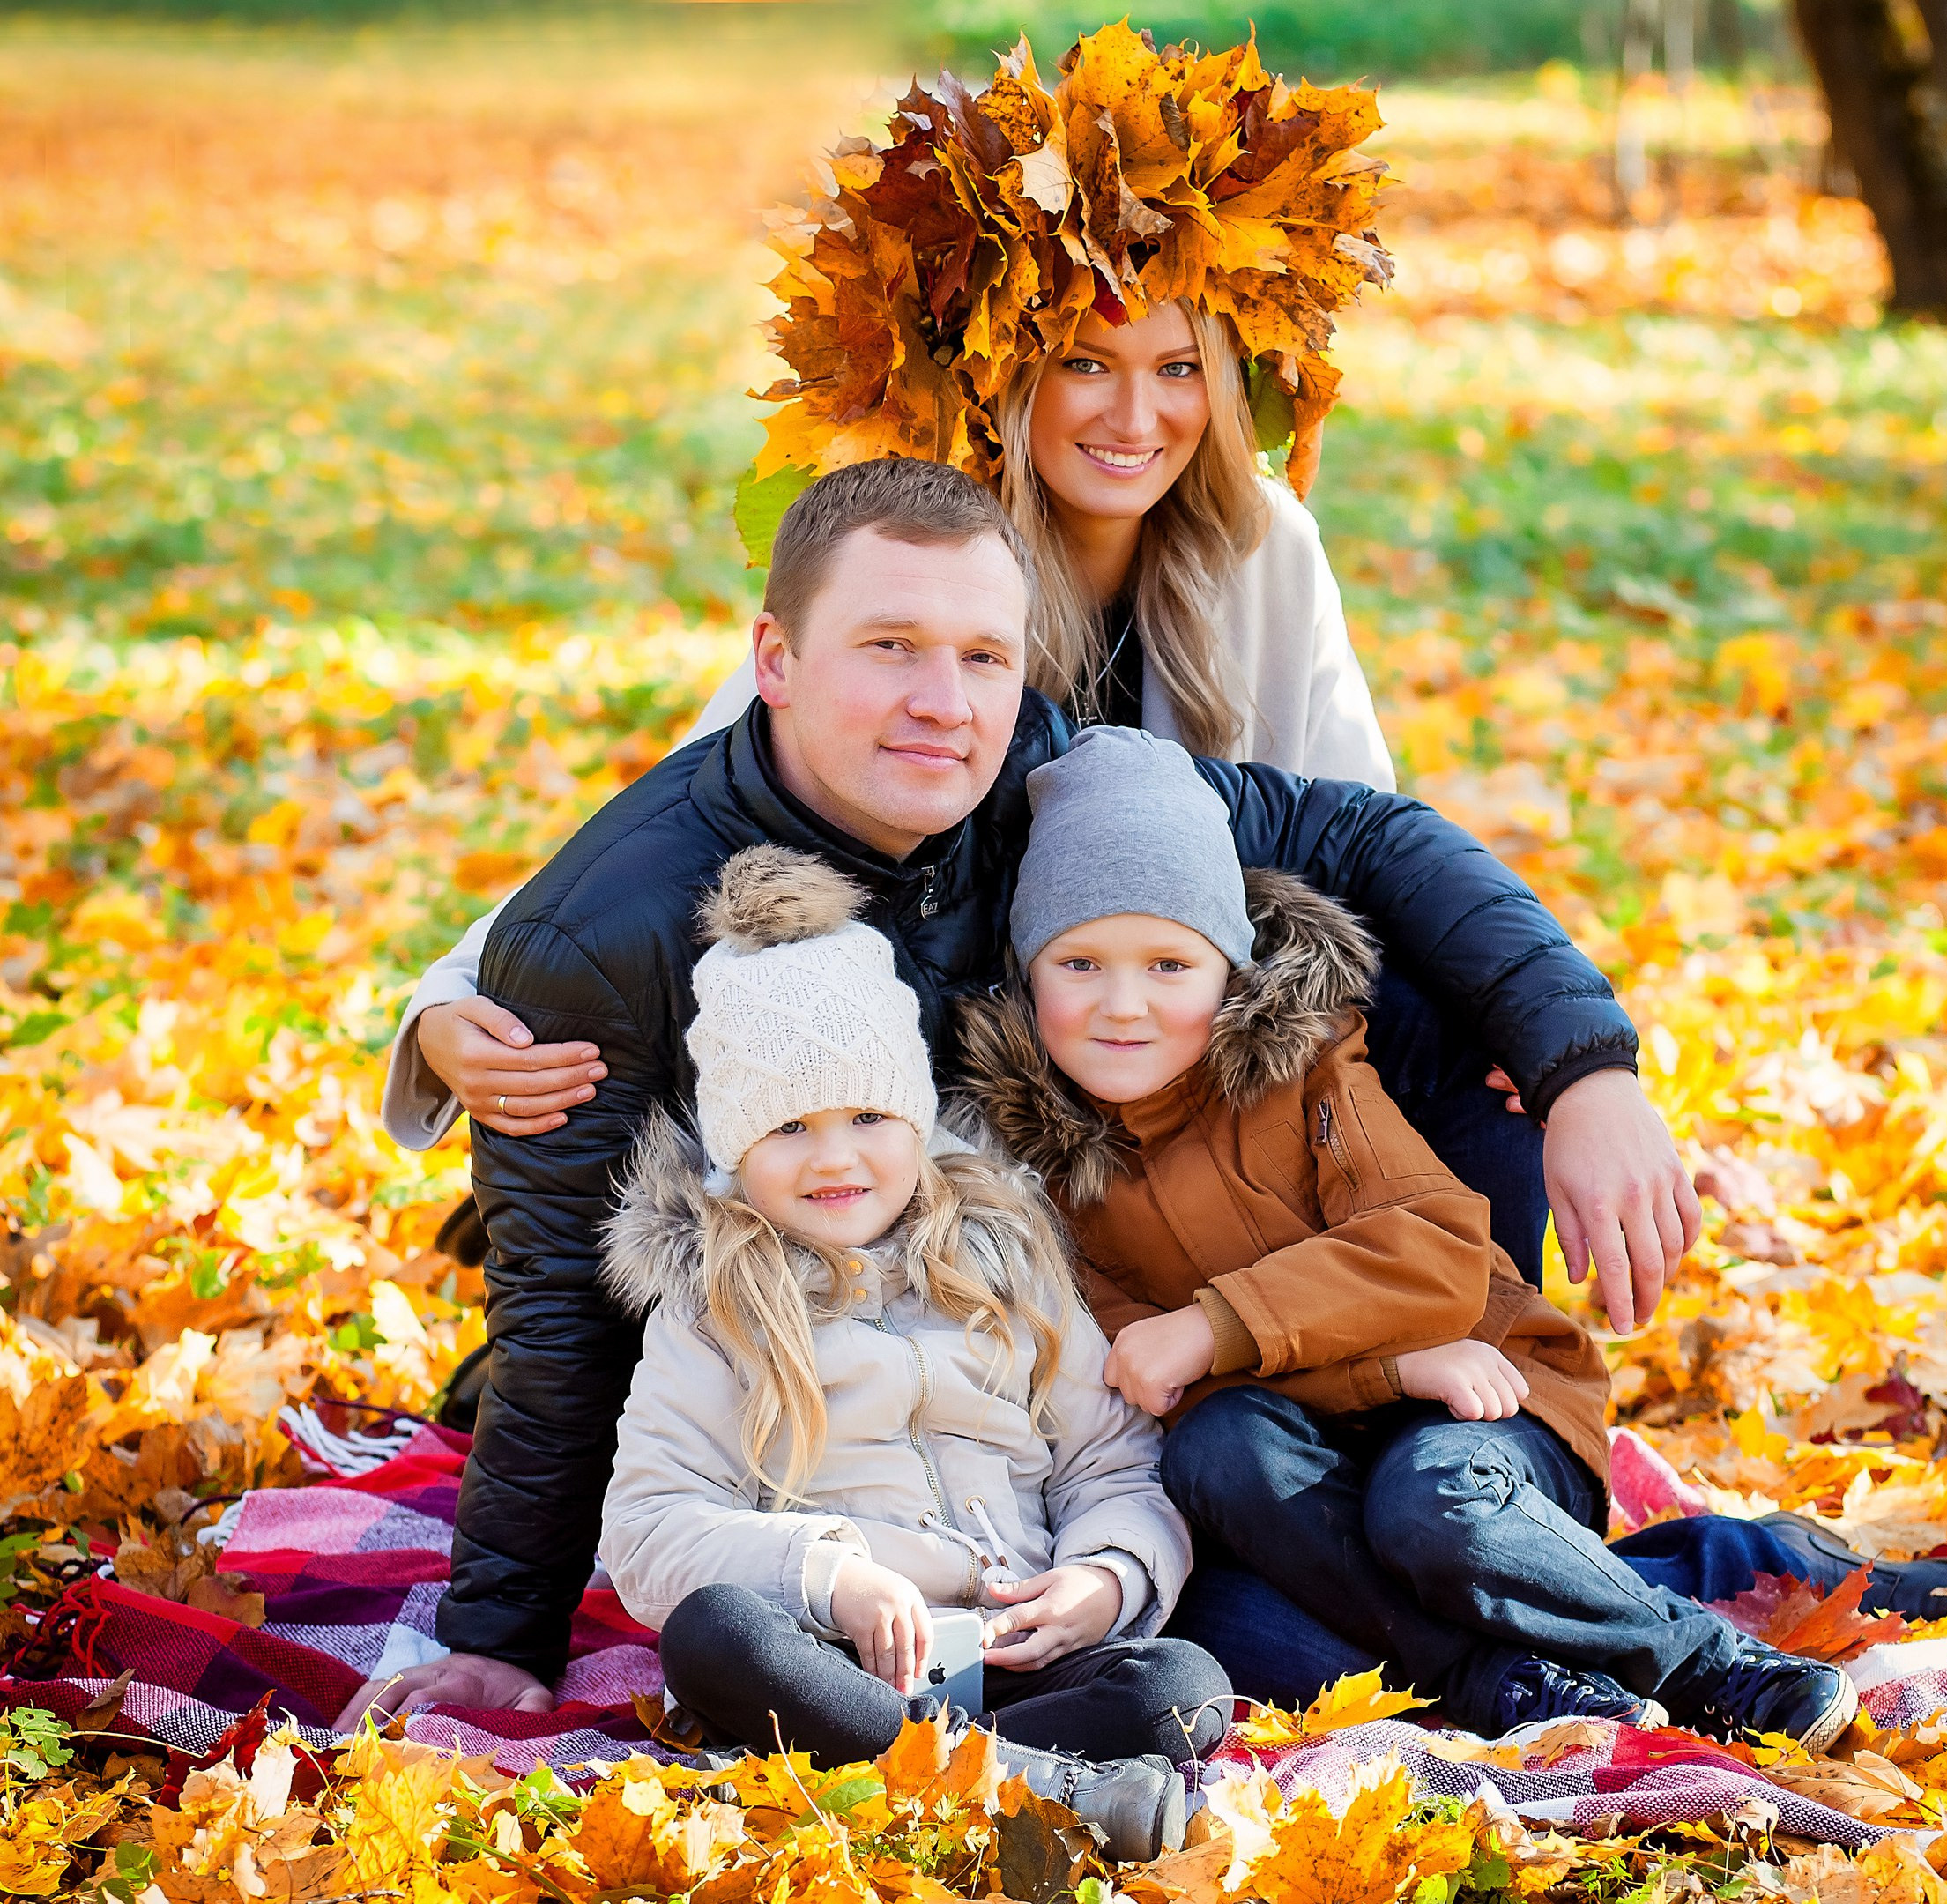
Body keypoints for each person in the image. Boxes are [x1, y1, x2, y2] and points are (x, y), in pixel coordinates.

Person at [334, 457, 1686, 1729]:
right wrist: (499, 1639)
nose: (946, 700)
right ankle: (1488, 1627)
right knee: (1214, 1612)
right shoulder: (607, 935)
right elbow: (562, 1313)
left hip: (1044, 1346)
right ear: (774, 663)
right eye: (891, 648)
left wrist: (1587, 1070)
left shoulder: (1041, 774)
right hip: (796, 1376)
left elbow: (1362, 831)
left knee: (1431, 1010)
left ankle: (1466, 1466)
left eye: (983, 655)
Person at [380, 29, 1593, 1309]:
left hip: (1184, 1038)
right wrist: (454, 1004)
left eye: (1180, 369)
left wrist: (1545, 1041)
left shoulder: (1262, 553)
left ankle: (1483, 1409)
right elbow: (702, 790)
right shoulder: (934, 564)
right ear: (1014, 372)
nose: (1137, 420)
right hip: (971, 1064)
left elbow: (1363, 833)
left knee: (1460, 1046)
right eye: (1086, 363)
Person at [957, 726, 1859, 1751]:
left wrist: (1217, 1326)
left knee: (1426, 1505)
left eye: (1169, 963)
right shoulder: (1051, 1167)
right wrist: (1389, 1367)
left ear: (1229, 968)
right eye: (1080, 962)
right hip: (1309, 1465)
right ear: (1030, 977)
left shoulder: (1309, 1073)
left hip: (1489, 1414)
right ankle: (1501, 1681)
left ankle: (1702, 1658)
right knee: (1219, 1466)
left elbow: (1430, 1249)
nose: (1125, 1006)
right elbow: (1170, 1391)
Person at [598, 844, 1223, 1861]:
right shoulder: (715, 1308)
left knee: (1182, 1687)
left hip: (1011, 1650)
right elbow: (649, 1528)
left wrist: (1101, 1579)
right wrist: (824, 1574)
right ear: (733, 1149)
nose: (837, 1157)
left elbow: (1111, 1462)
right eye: (791, 1127)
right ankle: (1038, 1793)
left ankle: (952, 1783)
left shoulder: (1006, 1263)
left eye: (868, 1117)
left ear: (919, 1121)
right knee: (714, 1634)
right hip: (831, 1661)